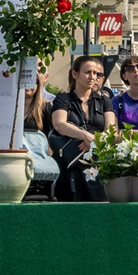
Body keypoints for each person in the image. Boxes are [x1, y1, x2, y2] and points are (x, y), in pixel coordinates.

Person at [48, 57, 114, 202]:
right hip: (70, 164)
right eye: (88, 72)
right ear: (75, 74)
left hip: (97, 163)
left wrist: (94, 141)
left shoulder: (104, 101)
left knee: (99, 206)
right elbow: (59, 124)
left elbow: (111, 130)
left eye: (96, 73)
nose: (92, 77)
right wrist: (86, 136)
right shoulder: (63, 99)